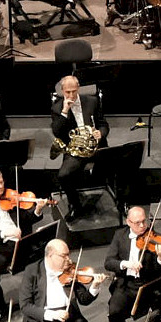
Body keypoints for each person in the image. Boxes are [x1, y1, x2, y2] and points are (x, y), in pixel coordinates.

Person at [0, 166, 58, 315]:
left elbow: (27, 219)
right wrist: (6, 232)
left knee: (47, 260)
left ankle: (44, 299)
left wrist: (38, 209)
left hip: (22, 242)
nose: (1, 187)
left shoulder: (13, 196)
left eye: (2, 182)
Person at [102, 205, 161, 322]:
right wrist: (126, 264)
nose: (143, 225)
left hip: (148, 284)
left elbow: (159, 271)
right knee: (114, 312)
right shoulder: (120, 235)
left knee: (154, 313)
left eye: (144, 221)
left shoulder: (156, 238)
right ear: (128, 222)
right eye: (138, 223)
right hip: (126, 284)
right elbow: (108, 263)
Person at [50, 72, 107, 215]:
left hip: (96, 147)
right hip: (76, 151)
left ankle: (120, 203)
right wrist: (65, 111)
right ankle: (75, 204)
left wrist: (101, 133)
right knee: (63, 175)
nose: (71, 95)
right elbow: (57, 133)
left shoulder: (92, 101)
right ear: (62, 91)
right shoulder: (57, 108)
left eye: (74, 91)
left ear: (79, 88)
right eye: (67, 92)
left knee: (118, 163)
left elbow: (103, 124)